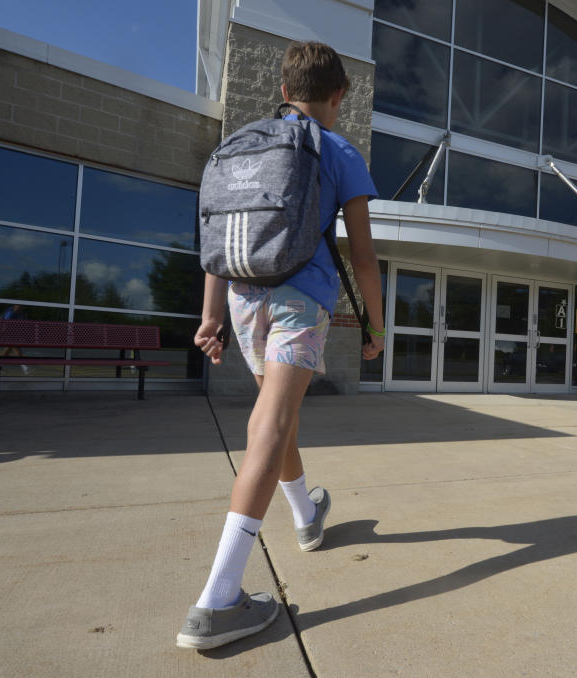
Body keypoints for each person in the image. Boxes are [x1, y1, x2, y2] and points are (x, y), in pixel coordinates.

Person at [176, 42, 386, 651]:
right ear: (339, 94)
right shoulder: (338, 149)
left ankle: (305, 516)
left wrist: (210, 317)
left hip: (244, 302)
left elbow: (218, 237)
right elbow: (364, 257)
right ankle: (217, 600)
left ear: (285, 86)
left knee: (280, 417)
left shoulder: (241, 143)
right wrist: (376, 325)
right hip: (301, 300)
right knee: (271, 421)